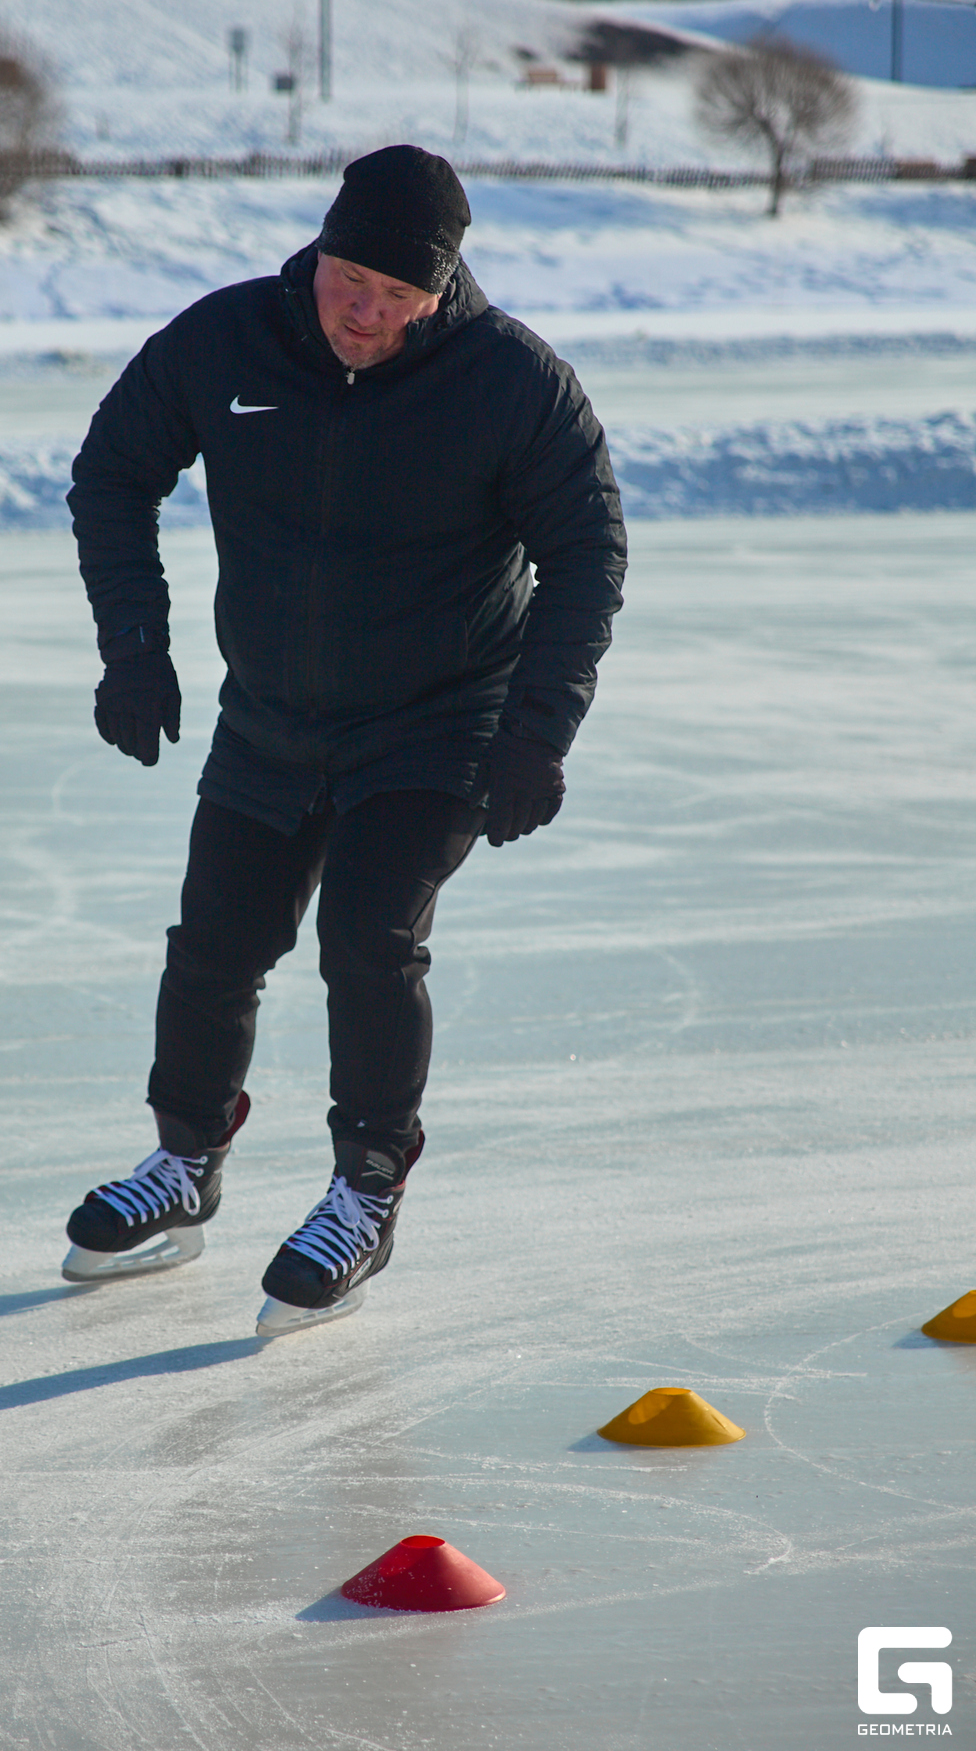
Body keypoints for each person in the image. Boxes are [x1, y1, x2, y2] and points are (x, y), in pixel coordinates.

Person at [61, 145, 626, 1337]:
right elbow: (112, 473)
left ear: (440, 289)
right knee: (213, 944)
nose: (363, 313)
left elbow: (585, 552)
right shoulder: (227, 340)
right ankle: (184, 1164)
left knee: (368, 940)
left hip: (438, 717)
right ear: (318, 250)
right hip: (272, 713)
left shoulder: (511, 381)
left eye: (397, 295)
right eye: (348, 279)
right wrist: (134, 647)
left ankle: (364, 1192)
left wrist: (536, 733)